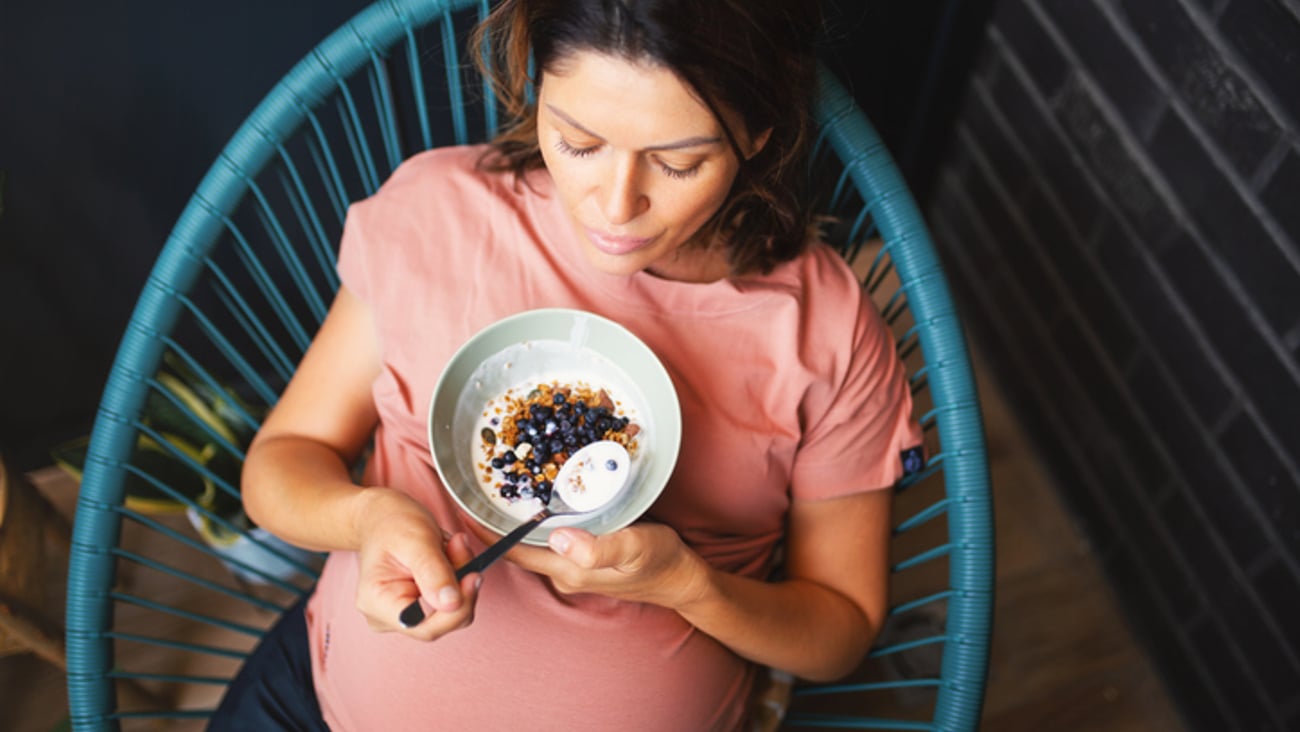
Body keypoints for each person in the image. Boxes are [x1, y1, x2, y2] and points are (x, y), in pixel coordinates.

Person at [212, 0, 923, 729]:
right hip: (316, 709)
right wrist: (368, 515)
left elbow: (837, 637)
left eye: (680, 162)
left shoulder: (823, 330)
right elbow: (280, 465)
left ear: (758, 134)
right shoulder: (440, 214)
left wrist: (685, 585)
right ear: (535, 87)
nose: (617, 207)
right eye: (579, 142)